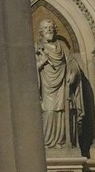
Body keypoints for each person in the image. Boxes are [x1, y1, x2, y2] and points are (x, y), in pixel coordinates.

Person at [35, 17, 84, 149]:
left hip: (62, 85)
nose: (49, 30)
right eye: (46, 28)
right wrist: (41, 62)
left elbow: (72, 63)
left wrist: (72, 73)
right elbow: (28, 71)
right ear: (41, 31)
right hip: (46, 87)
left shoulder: (61, 46)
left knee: (62, 112)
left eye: (51, 27)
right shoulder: (37, 47)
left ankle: (61, 142)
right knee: (49, 112)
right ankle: (47, 143)